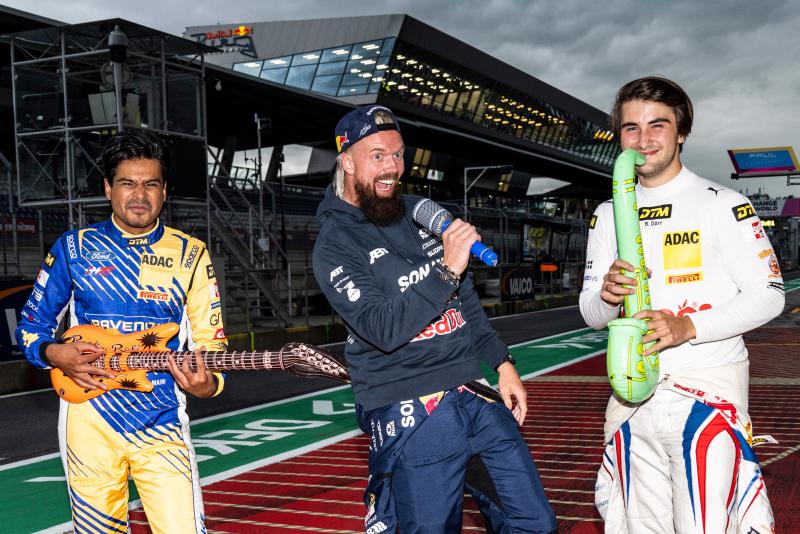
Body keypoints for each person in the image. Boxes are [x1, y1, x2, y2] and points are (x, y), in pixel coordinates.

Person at [313, 105, 556, 533]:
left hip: (473, 391)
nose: (392, 167)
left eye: (398, 154)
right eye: (377, 156)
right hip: (411, 405)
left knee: (535, 523)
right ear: (347, 162)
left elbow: (466, 306)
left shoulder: (421, 213)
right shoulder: (334, 243)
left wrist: (503, 364)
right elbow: (382, 328)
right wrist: (445, 270)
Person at [580, 76, 784, 533]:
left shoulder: (724, 204)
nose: (644, 139)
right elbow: (591, 315)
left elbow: (770, 294)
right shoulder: (606, 214)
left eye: (658, 125)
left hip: (705, 394)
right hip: (631, 398)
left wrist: (687, 327)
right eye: (631, 128)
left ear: (682, 132)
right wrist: (608, 297)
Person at [16, 130, 227, 533]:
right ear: (108, 188)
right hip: (87, 421)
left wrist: (209, 385)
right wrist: (52, 353)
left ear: (165, 191)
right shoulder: (73, 249)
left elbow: (211, 346)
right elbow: (31, 325)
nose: (139, 196)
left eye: (151, 184)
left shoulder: (191, 254)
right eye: (128, 183)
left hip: (162, 421)